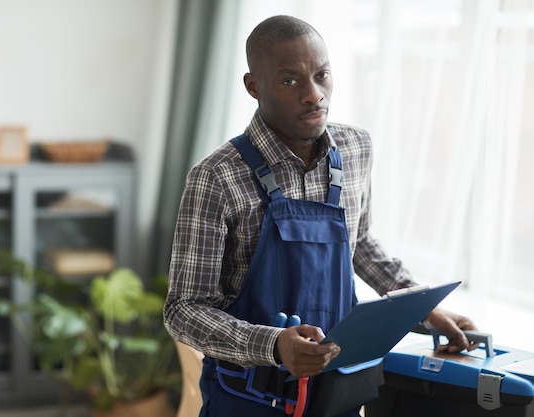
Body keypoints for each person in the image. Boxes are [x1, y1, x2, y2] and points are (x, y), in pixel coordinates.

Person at [163, 15, 477, 417]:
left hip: (339, 395)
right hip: (247, 400)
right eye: (290, 81)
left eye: (322, 75)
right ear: (253, 86)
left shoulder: (356, 148)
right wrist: (274, 345)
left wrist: (417, 304)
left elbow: (359, 242)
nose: (314, 95)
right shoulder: (216, 177)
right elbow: (183, 310)